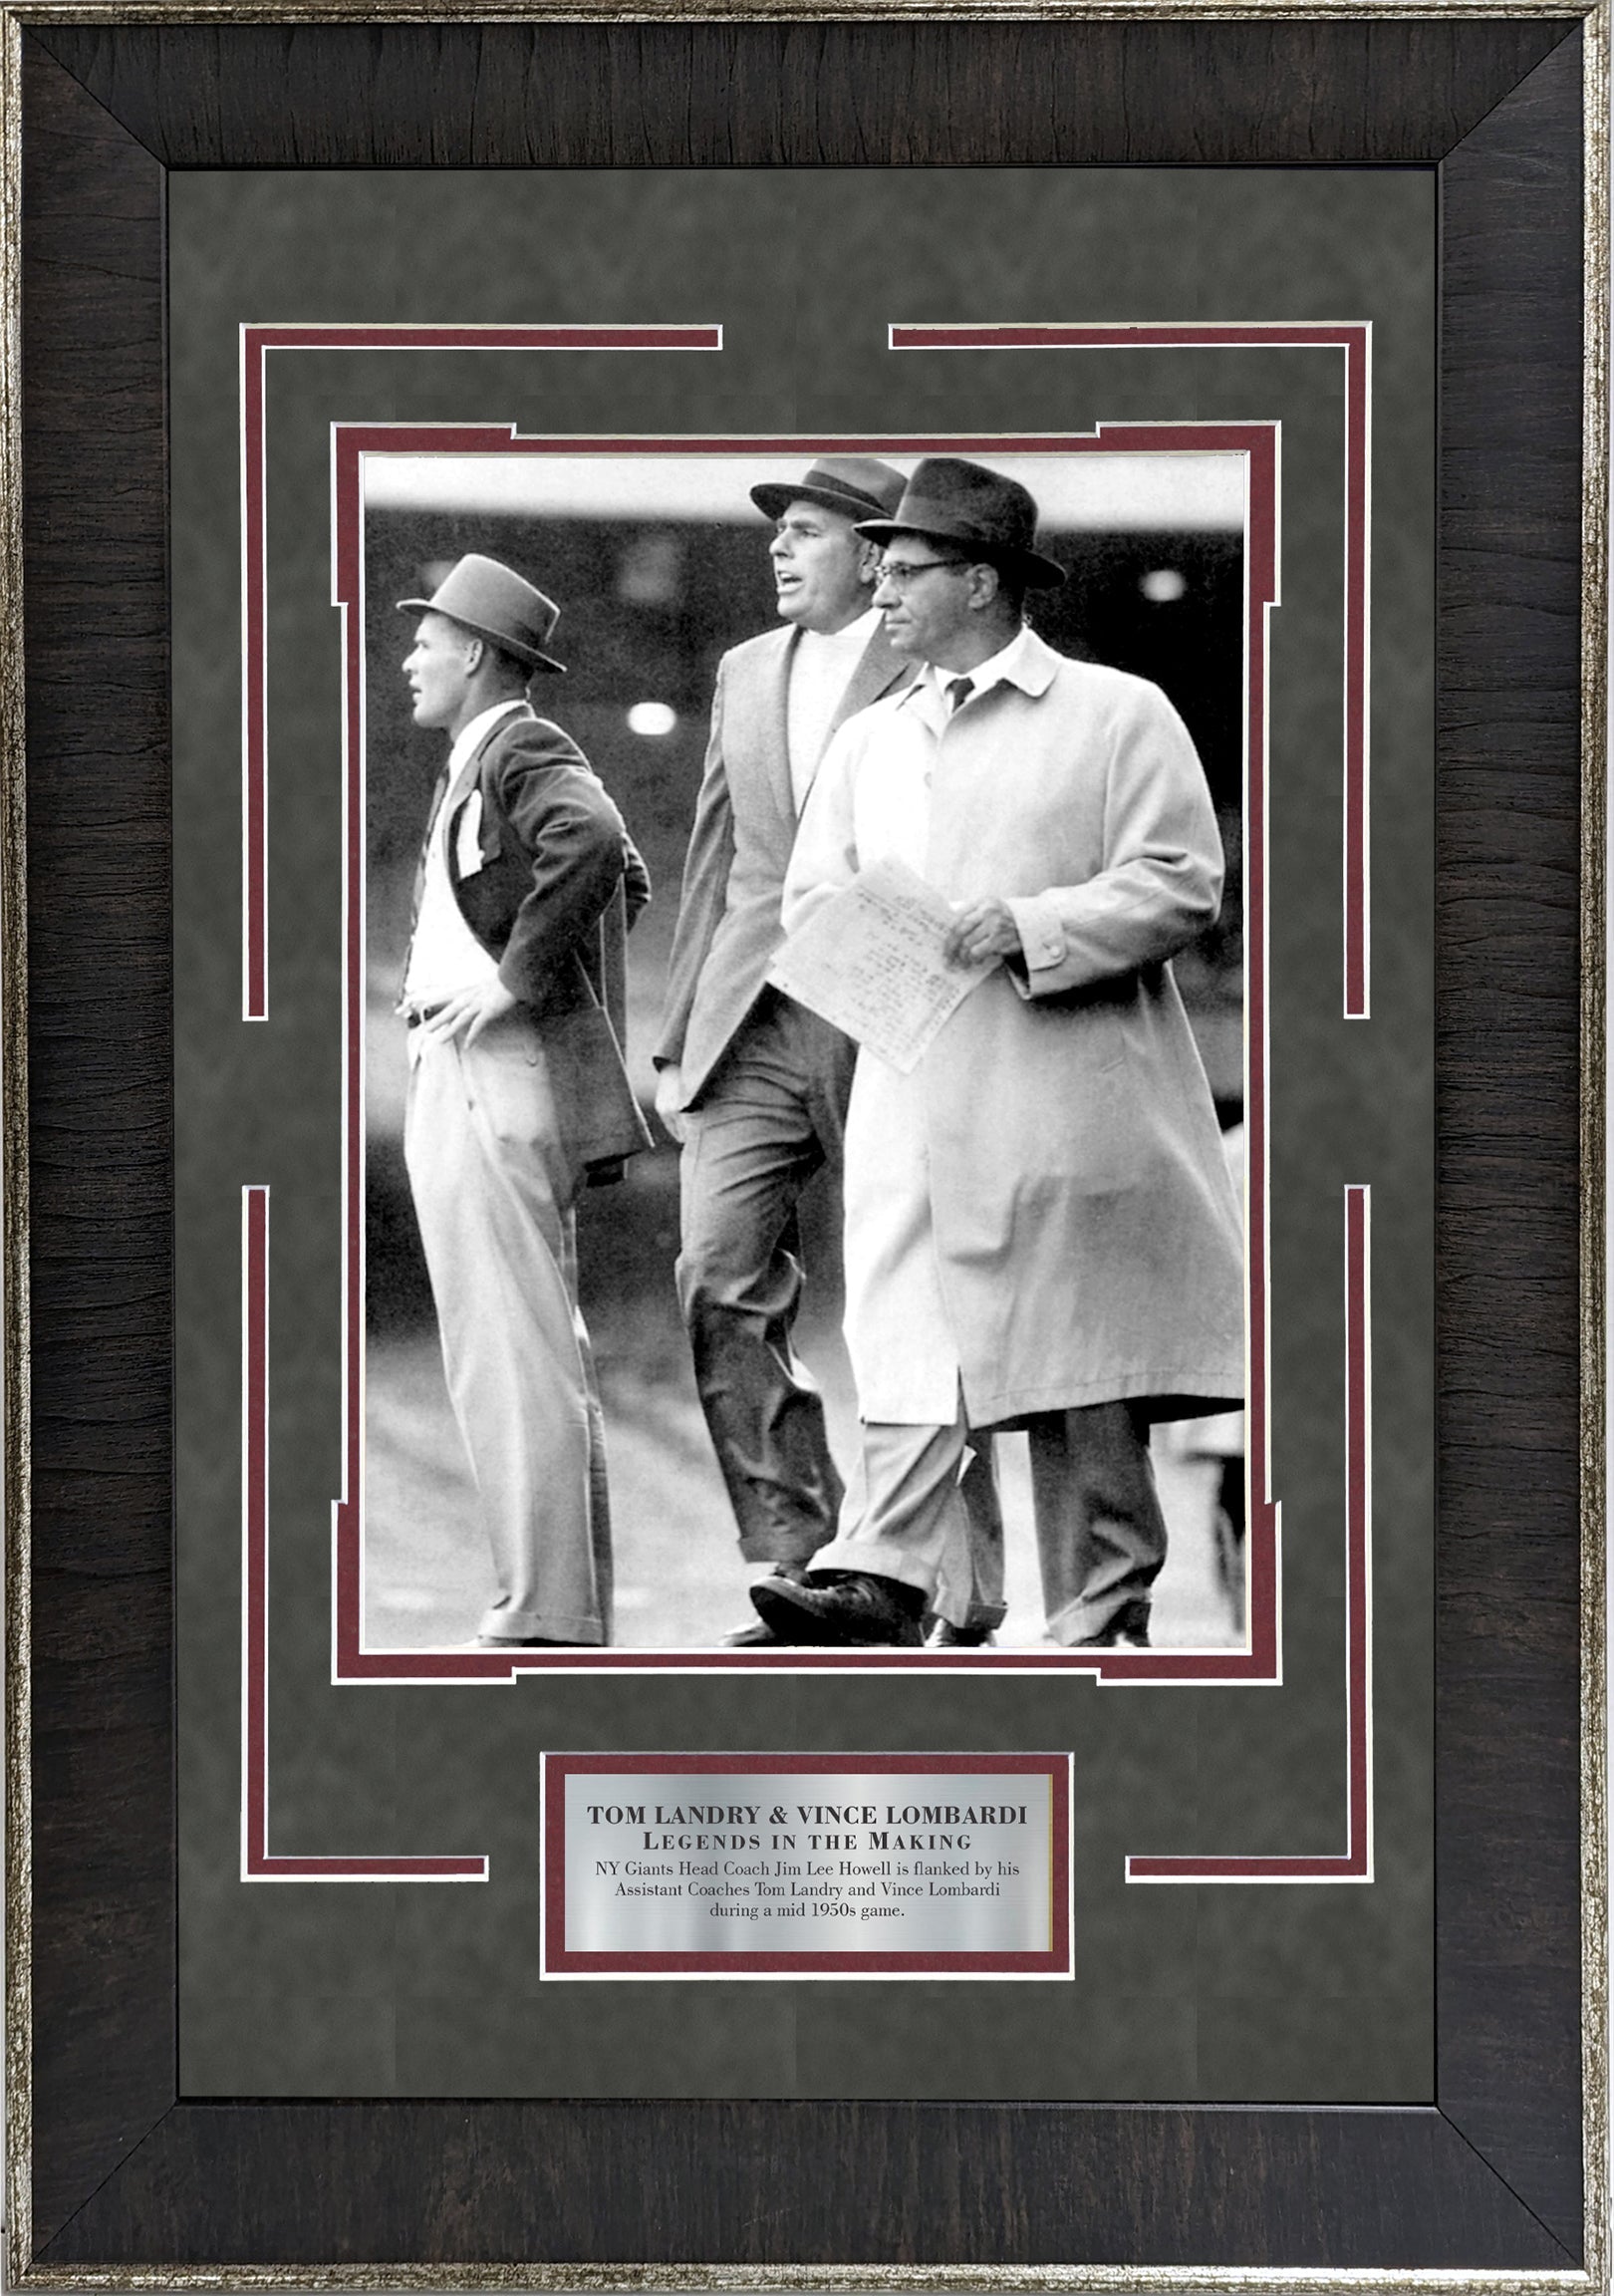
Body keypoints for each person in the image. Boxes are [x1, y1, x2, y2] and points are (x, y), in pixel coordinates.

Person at [752, 457, 1244, 1650]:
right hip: (911, 1081)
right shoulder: (870, 741)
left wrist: (1029, 924)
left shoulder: (1117, 712)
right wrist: (868, 955)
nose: (879, 590)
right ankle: (887, 1574)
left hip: (1067, 1083)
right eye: (878, 568)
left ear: (981, 582)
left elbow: (1183, 880)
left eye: (904, 570)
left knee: (1080, 1348)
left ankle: (1100, 1609)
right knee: (901, 1324)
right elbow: (811, 898)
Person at [655, 457, 1007, 1647]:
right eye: (776, 532)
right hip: (749, 1014)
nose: (777, 549)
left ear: (874, 554)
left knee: (916, 1291)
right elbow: (714, 854)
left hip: (892, 1008)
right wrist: (678, 1031)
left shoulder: (934, 658)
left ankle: (955, 1585)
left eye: (803, 531)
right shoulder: (745, 669)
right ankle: (798, 1559)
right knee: (717, 1272)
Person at [396, 552, 652, 1649]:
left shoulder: (521, 746)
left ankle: (544, 1609)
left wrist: (516, 982)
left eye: (425, 643)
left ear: (473, 655)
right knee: (522, 1346)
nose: (410, 660)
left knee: (510, 1351)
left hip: (489, 1075)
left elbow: (594, 846)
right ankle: (559, 1604)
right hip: (474, 1070)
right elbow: (625, 879)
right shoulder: (485, 756)